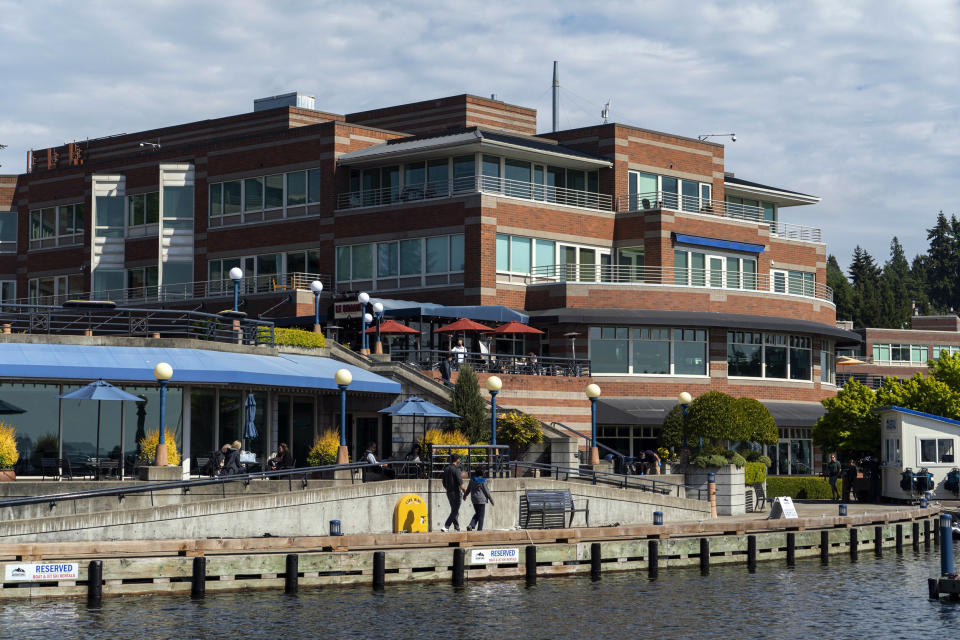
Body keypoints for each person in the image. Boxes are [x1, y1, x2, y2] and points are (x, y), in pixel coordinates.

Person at [463, 467, 495, 531]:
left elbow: (468, 489)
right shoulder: (483, 481)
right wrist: (491, 500)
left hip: (474, 499)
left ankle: (471, 525)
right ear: (482, 473)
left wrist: (465, 495)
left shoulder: (472, 480)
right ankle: (479, 530)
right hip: (481, 500)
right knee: (481, 516)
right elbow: (486, 491)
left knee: (477, 513)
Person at [441, 453, 464, 532]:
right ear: (457, 460)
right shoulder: (456, 469)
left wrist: (448, 489)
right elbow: (460, 483)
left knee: (454, 511)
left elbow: (443, 482)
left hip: (449, 492)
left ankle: (456, 528)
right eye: (459, 459)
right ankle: (446, 526)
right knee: (455, 511)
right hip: (456, 492)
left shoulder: (446, 469)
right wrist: (465, 492)